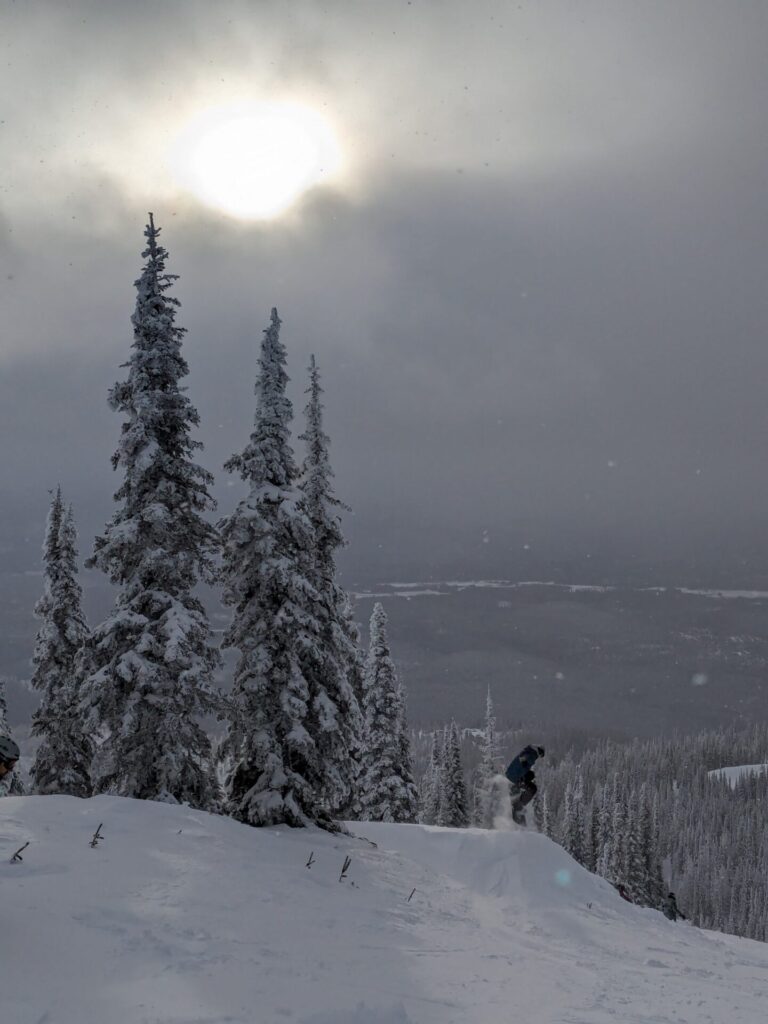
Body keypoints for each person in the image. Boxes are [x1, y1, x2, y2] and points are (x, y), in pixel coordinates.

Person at [505, 744, 545, 825]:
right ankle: (519, 808)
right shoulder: (532, 754)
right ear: (540, 753)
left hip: (513, 777)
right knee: (532, 788)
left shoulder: (530, 751)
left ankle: (518, 806)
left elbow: (523, 762)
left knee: (531, 775)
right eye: (541, 756)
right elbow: (522, 757)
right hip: (514, 778)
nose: (539, 758)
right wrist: (523, 760)